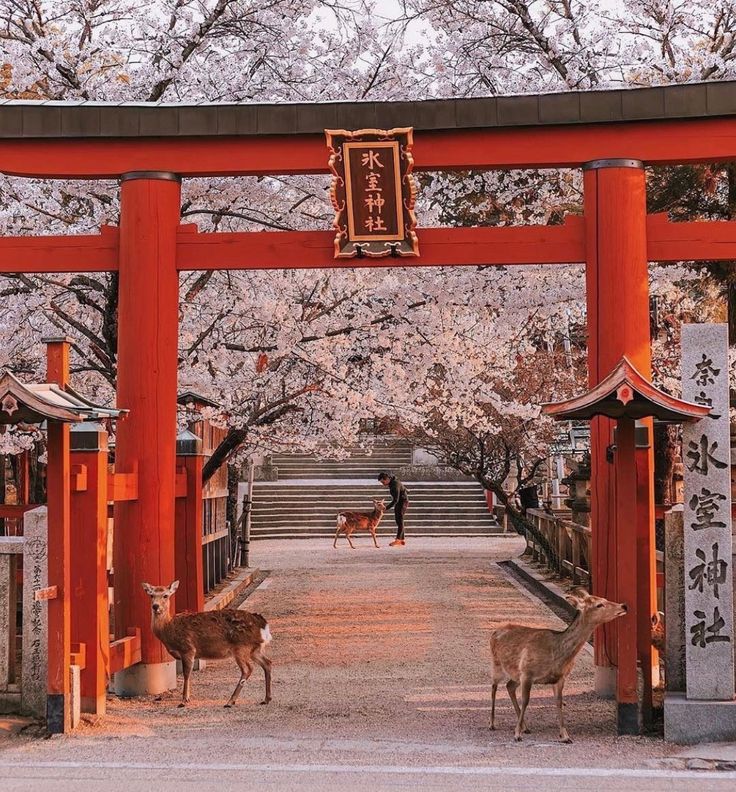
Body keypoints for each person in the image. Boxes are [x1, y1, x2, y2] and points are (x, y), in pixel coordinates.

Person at [378, 472, 409, 547]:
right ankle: (402, 540)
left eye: (383, 482)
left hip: (402, 502)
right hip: (400, 502)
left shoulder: (395, 484)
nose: (383, 484)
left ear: (387, 479)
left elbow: (396, 499)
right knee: (398, 520)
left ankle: (398, 540)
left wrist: (386, 507)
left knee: (400, 520)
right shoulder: (393, 482)